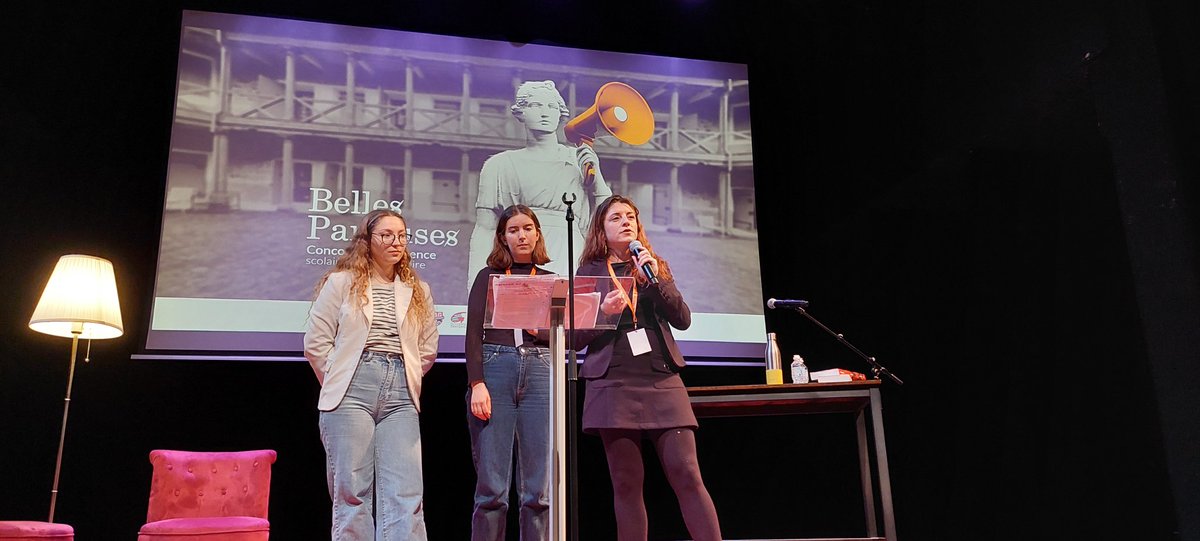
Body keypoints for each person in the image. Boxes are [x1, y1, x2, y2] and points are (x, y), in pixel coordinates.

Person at [574, 195, 722, 541]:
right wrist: (604, 315)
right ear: (601, 229)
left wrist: (654, 281)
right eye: (616, 218)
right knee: (625, 482)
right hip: (612, 382)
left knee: (687, 473)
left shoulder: (654, 264)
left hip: (661, 379)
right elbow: (574, 338)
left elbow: (682, 319)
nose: (626, 221)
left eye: (631, 216)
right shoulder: (590, 272)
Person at [304, 209, 440, 541]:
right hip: (352, 387)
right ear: (368, 240)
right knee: (352, 492)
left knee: (405, 493)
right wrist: (342, 376)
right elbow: (316, 341)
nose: (397, 242)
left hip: (401, 393)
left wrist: (406, 376)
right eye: (387, 235)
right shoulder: (342, 283)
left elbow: (428, 346)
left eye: (402, 236)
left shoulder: (417, 289)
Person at [464, 204, 555, 540]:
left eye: (528, 228)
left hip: (540, 370)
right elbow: (473, 333)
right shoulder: (488, 276)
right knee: (492, 490)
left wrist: (540, 333)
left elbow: (564, 334)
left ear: (537, 233)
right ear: (502, 236)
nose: (522, 235)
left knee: (538, 493)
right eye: (514, 230)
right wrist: (477, 384)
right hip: (495, 367)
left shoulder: (549, 280)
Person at [467, 80, 612, 291]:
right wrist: (476, 286)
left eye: (552, 107)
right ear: (520, 112)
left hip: (569, 251)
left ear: (560, 114)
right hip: (519, 254)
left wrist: (596, 175)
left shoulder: (576, 159)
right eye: (536, 105)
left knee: (567, 316)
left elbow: (604, 217)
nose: (545, 113)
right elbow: (484, 228)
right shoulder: (498, 165)